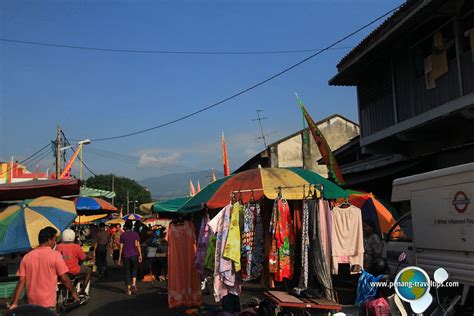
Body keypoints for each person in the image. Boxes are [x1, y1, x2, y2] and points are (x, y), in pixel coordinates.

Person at [9, 227, 79, 312]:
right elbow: (64, 278)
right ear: (49, 240)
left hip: (31, 303)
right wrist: (73, 291)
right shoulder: (55, 255)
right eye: (54, 240)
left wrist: (15, 302)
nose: (55, 242)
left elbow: (21, 280)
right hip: (47, 303)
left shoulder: (27, 256)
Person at [56, 229, 93, 295]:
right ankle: (83, 290)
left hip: (61, 272)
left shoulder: (58, 246)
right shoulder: (76, 246)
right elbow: (83, 257)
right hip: (73, 271)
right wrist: (89, 257)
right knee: (89, 271)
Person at [118, 220, 142, 295]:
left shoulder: (123, 235)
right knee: (134, 269)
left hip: (126, 255)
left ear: (125, 226)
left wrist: (119, 258)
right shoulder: (135, 234)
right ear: (132, 226)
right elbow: (138, 245)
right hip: (134, 254)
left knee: (127, 271)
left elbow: (121, 248)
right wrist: (140, 254)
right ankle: (134, 284)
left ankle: (128, 290)